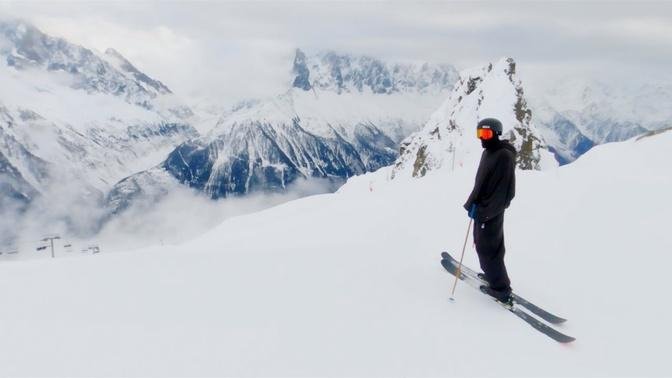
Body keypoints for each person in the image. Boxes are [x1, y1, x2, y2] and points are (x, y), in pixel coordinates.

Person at [463, 118, 516, 306]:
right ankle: (493, 276)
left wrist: (484, 212)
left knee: (489, 250)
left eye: (486, 134)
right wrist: (473, 203)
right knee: (484, 246)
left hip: (490, 212)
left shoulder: (503, 156)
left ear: (496, 134)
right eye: (480, 134)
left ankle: (501, 289)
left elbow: (505, 192)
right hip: (483, 210)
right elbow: (482, 183)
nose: (482, 138)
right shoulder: (489, 152)